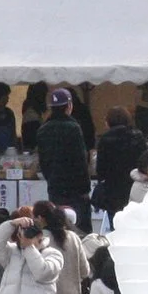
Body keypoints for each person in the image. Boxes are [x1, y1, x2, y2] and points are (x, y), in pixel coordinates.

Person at [35, 87, 92, 226]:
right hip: (75, 188)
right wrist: (85, 187)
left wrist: (51, 179)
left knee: (58, 225)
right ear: (69, 106)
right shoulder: (73, 127)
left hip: (55, 186)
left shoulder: (43, 129)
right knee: (79, 227)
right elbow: (81, 160)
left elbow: (43, 162)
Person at [94, 107, 146, 217]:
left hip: (113, 190)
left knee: (116, 224)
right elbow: (144, 163)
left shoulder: (105, 139)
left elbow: (101, 170)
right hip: (134, 186)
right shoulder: (138, 136)